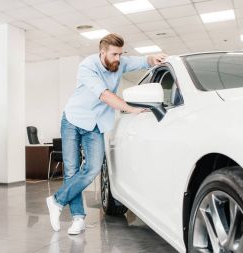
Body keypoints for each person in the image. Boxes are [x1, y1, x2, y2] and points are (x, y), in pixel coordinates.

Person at [46, 33, 167, 234]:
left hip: (95, 124)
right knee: (71, 170)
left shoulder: (118, 62)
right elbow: (105, 95)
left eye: (120, 54)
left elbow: (139, 61)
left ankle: (56, 201)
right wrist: (130, 109)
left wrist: (151, 58)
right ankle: (78, 218)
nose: (118, 58)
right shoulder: (87, 66)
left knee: (93, 168)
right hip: (73, 120)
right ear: (103, 52)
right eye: (114, 54)